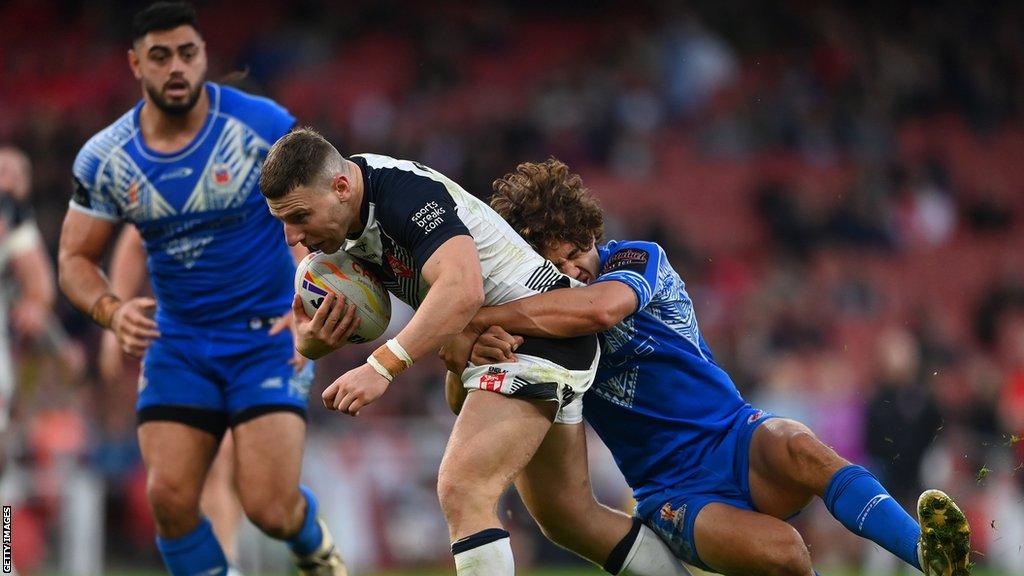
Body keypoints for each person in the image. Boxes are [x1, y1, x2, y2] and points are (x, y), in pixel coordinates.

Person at [443, 158, 972, 576]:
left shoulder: (634, 259)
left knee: (800, 443)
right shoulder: (532, 320)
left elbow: (601, 310)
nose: (575, 268)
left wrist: (472, 315)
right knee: (786, 552)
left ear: (594, 234)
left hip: (736, 439)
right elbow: (464, 401)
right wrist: (464, 354)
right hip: (674, 495)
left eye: (580, 249)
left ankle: (929, 558)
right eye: (555, 264)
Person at [259, 128, 691, 576]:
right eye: (282, 221)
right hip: (515, 344)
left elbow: (461, 289)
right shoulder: (348, 223)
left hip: (539, 337)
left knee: (464, 488)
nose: (292, 236)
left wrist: (381, 365)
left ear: (342, 187)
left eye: (299, 216)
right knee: (570, 518)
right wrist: (312, 343)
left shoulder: (403, 194)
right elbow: (447, 312)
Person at [57, 3, 344, 575]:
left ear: (204, 56)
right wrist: (112, 312)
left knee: (268, 508)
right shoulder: (108, 159)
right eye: (160, 57)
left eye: (188, 53)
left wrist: (307, 301)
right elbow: (74, 258)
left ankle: (313, 544)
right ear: (135, 63)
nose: (177, 67)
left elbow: (324, 218)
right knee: (169, 500)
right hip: (180, 344)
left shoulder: (262, 126)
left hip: (267, 337)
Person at [99, 225, 246, 565]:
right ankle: (221, 561)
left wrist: (296, 317)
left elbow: (297, 244)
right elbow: (135, 241)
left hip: (249, 340)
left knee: (226, 464)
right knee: (197, 468)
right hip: (182, 343)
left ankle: (223, 559)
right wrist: (114, 318)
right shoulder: (170, 185)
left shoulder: (256, 188)